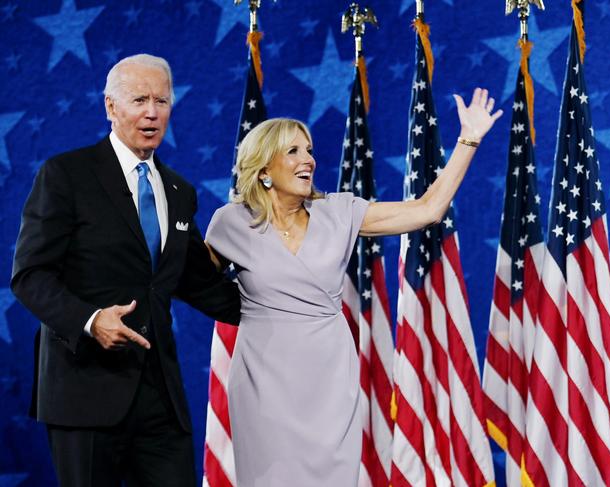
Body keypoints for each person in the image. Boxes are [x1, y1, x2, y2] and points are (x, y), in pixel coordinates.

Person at [204, 88, 503, 486]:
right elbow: (192, 281)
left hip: (328, 374)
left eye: (308, 150)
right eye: (292, 151)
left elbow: (427, 210)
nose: (308, 159)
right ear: (262, 169)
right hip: (262, 379)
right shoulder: (230, 223)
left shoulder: (339, 212)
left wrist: (469, 140)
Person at [11, 54, 240, 487]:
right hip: (84, 390)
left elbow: (197, 282)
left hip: (160, 396)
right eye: (139, 99)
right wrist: (91, 321)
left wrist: (284, 305)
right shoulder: (66, 175)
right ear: (110, 107)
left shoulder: (179, 190)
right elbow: (31, 276)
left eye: (162, 100)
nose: (152, 112)